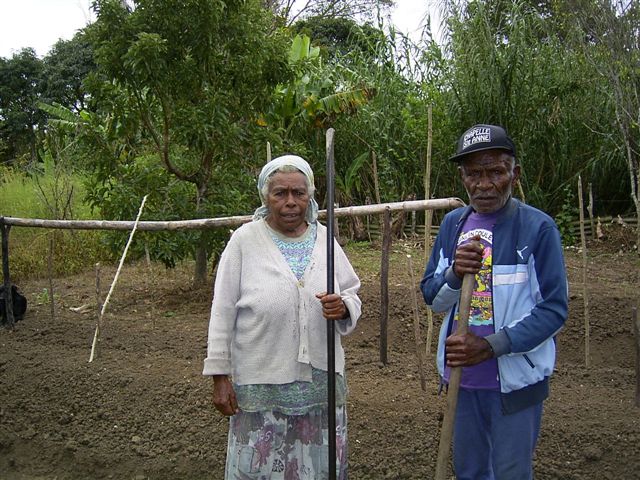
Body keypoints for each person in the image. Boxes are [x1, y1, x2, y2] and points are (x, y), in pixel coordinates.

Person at [420, 124, 568, 480]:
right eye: (474, 174)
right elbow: (432, 297)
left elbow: (554, 309)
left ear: (514, 175)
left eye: (495, 172)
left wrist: (490, 346)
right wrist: (455, 273)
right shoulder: (453, 225)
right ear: (462, 177)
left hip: (516, 382)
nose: (484, 184)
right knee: (470, 471)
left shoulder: (537, 229)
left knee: (511, 473)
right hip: (462, 379)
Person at [203, 154, 361, 480]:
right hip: (261, 386)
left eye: (299, 193)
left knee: (317, 469)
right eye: (280, 193)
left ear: (310, 196)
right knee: (261, 467)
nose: (291, 202)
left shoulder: (323, 238)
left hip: (320, 385)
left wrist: (343, 307)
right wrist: (220, 375)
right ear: (265, 196)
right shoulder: (244, 241)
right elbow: (222, 310)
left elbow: (351, 292)